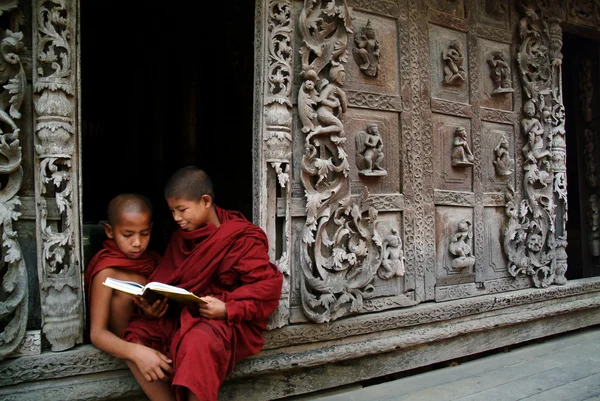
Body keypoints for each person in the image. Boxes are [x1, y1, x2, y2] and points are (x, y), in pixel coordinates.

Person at [121, 166, 284, 401]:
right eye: (172, 211)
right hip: (186, 313)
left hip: (226, 319)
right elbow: (168, 281)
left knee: (197, 343)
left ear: (205, 201)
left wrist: (227, 308)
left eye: (182, 210)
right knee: (136, 333)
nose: (176, 218)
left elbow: (267, 289)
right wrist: (153, 306)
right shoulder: (181, 239)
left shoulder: (241, 236)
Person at [84, 194, 168, 374]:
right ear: (109, 231)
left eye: (144, 234)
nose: (137, 243)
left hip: (160, 343)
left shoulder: (154, 263)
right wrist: (136, 353)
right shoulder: (107, 272)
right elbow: (97, 334)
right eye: (127, 235)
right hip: (133, 353)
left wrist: (152, 314)